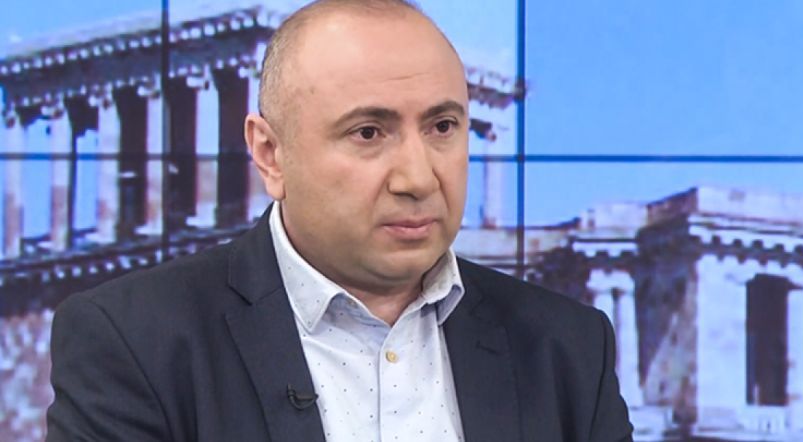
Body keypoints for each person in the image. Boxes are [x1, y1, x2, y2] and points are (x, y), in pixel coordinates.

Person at [46, 0, 633, 441]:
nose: (418, 178)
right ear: (270, 154)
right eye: (368, 133)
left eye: (443, 127)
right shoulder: (134, 341)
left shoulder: (568, 348)